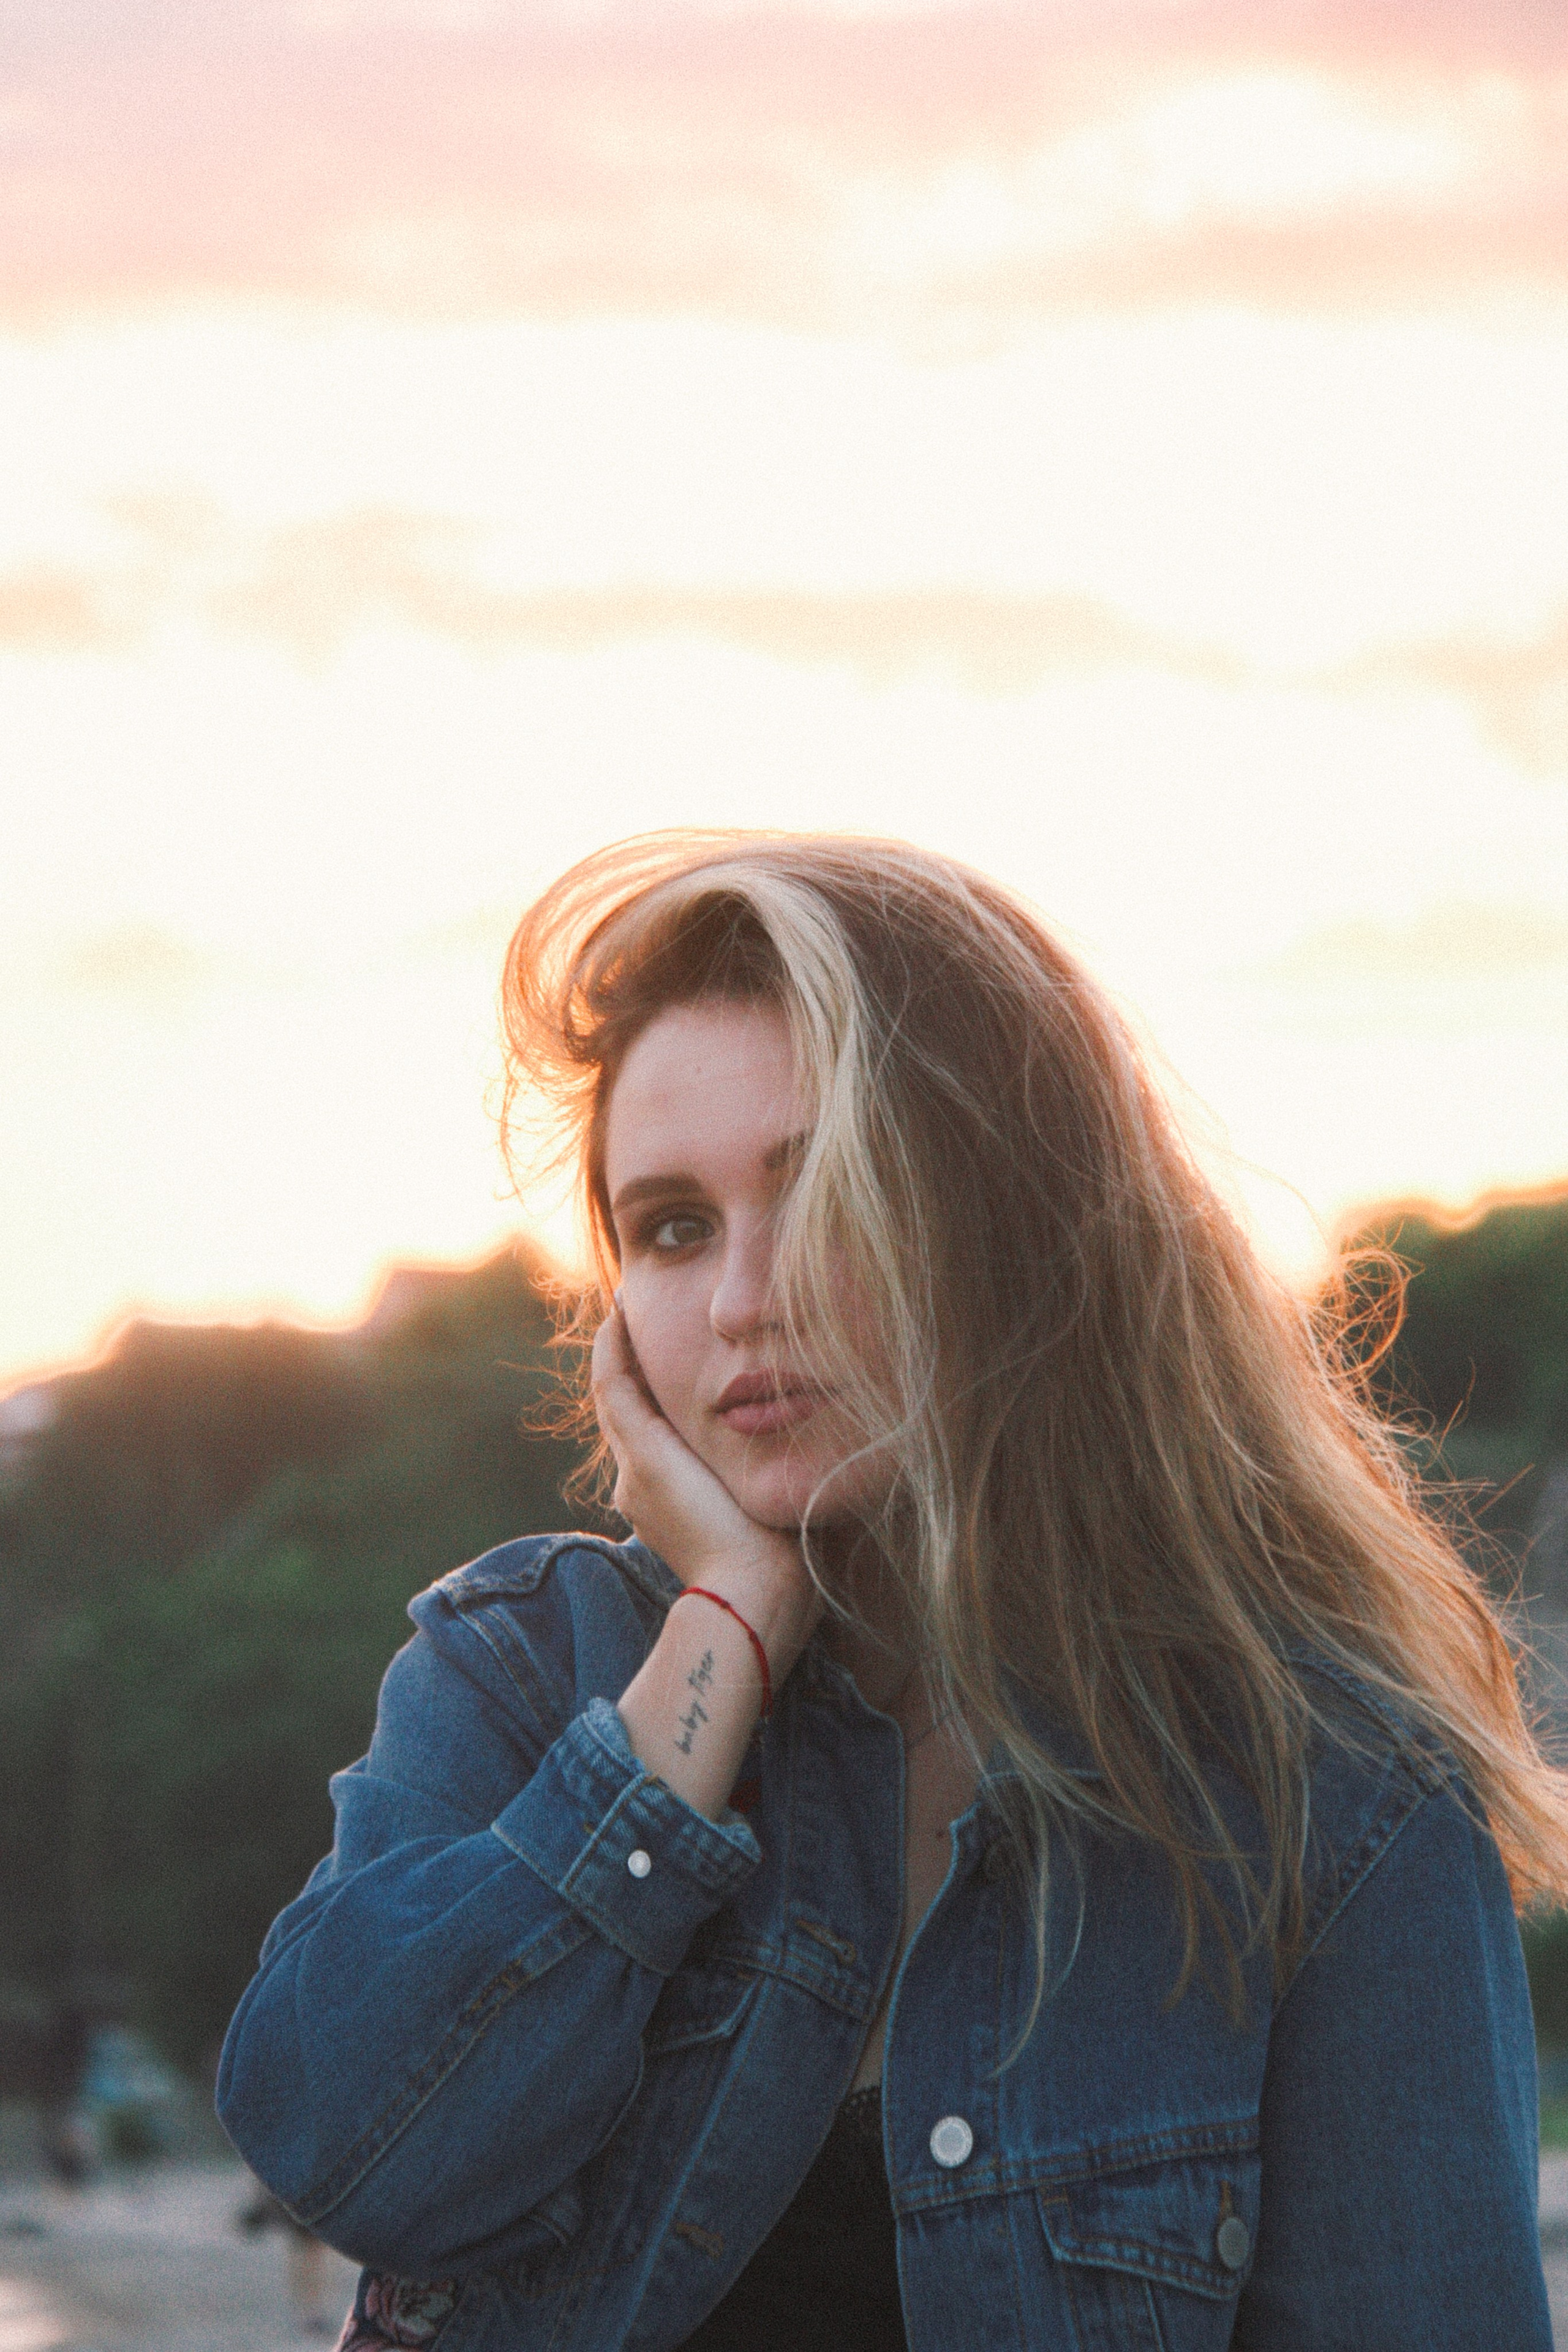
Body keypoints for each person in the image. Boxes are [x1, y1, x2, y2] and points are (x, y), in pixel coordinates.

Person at [218, 832, 1566, 2350]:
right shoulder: (525, 1671)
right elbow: (350, 2153)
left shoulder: (1329, 1797)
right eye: (671, 1227)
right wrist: (720, 1634)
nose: (740, 1300)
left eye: (828, 1193)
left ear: (1022, 1225)